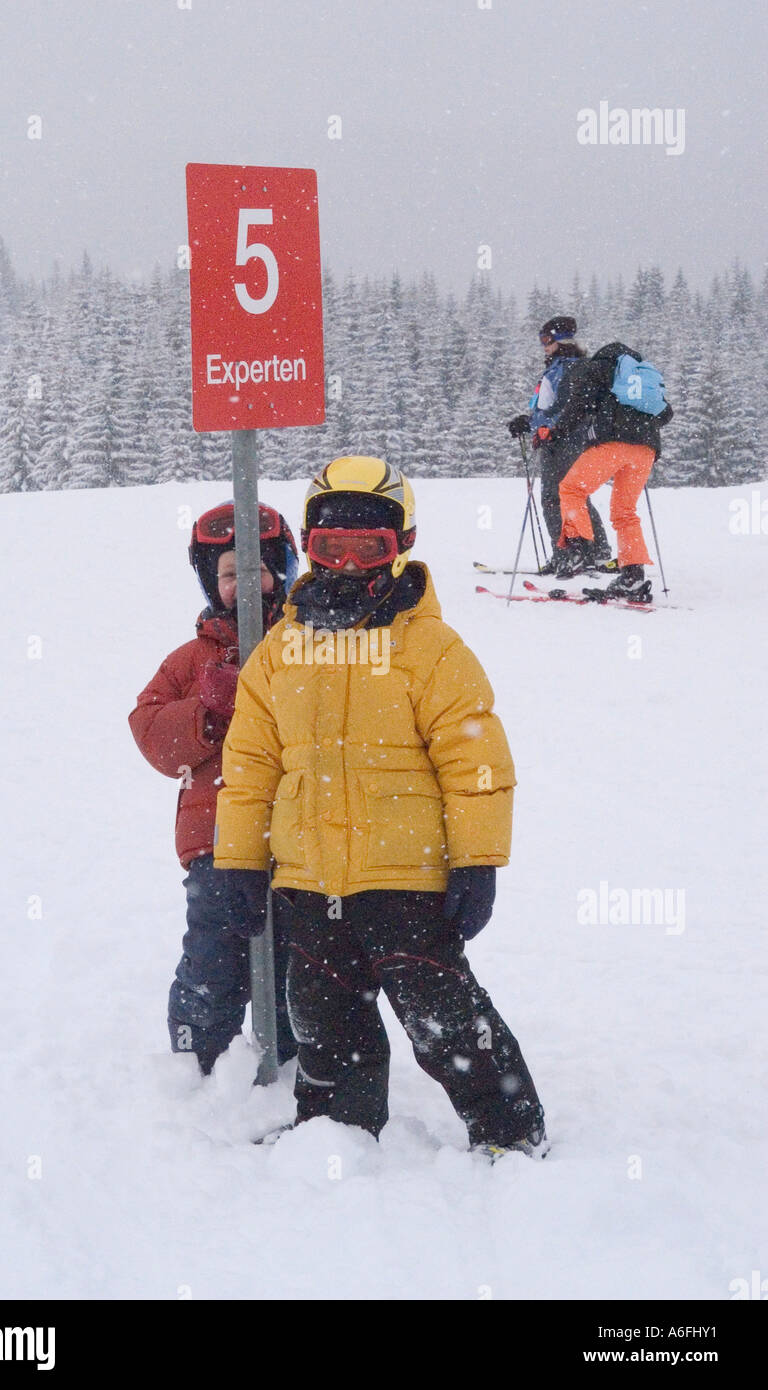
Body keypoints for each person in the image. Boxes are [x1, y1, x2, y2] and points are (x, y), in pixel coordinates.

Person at [211, 456, 547, 1161]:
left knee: (446, 1019)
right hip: (308, 880)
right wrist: (239, 860)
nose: (347, 563)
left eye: (370, 547)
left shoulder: (428, 648)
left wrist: (478, 861)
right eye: (331, 547)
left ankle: (509, 1132)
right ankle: (336, 1129)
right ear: (307, 545)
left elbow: (476, 761)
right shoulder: (279, 652)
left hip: (407, 880)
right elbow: (248, 768)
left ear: (403, 546)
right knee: (324, 1022)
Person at [128, 501, 299, 1074]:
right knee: (214, 956)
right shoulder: (192, 657)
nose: (242, 584)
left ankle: (297, 1058)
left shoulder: (306, 645)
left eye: (256, 569)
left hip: (300, 831)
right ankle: (196, 1064)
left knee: (295, 954)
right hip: (217, 836)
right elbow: (149, 731)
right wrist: (206, 712)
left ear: (283, 571)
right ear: (210, 581)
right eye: (228, 574)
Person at [552, 342, 674, 598]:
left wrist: (555, 432)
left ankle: (578, 549)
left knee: (571, 488)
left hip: (613, 443)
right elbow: (666, 414)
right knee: (625, 511)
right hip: (646, 449)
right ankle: (632, 575)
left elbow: (579, 404)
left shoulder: (598, 367)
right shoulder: (644, 377)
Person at [508, 315, 611, 576]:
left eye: (546, 339)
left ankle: (573, 552)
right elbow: (549, 407)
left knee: (558, 498)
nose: (543, 345)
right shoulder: (557, 367)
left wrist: (541, 427)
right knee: (571, 496)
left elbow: (567, 408)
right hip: (556, 439)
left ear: (561, 340)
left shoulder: (570, 368)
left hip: (566, 440)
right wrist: (529, 422)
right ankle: (588, 551)